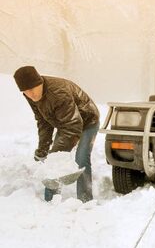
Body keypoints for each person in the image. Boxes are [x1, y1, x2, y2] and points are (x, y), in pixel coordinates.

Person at [13, 66, 100, 202]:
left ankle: (85, 200)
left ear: (39, 82)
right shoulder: (31, 96)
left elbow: (73, 125)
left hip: (88, 121)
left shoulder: (59, 93)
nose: (30, 94)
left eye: (32, 89)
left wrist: (57, 154)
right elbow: (43, 121)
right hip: (65, 122)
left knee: (81, 158)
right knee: (53, 159)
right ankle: (51, 201)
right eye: (25, 91)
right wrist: (43, 149)